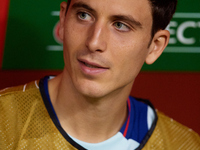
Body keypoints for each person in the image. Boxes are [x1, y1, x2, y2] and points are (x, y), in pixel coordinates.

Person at [0, 0, 200, 149]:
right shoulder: (4, 124)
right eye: (84, 15)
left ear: (155, 47)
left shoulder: (184, 145)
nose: (94, 42)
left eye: (121, 25)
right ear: (63, 18)